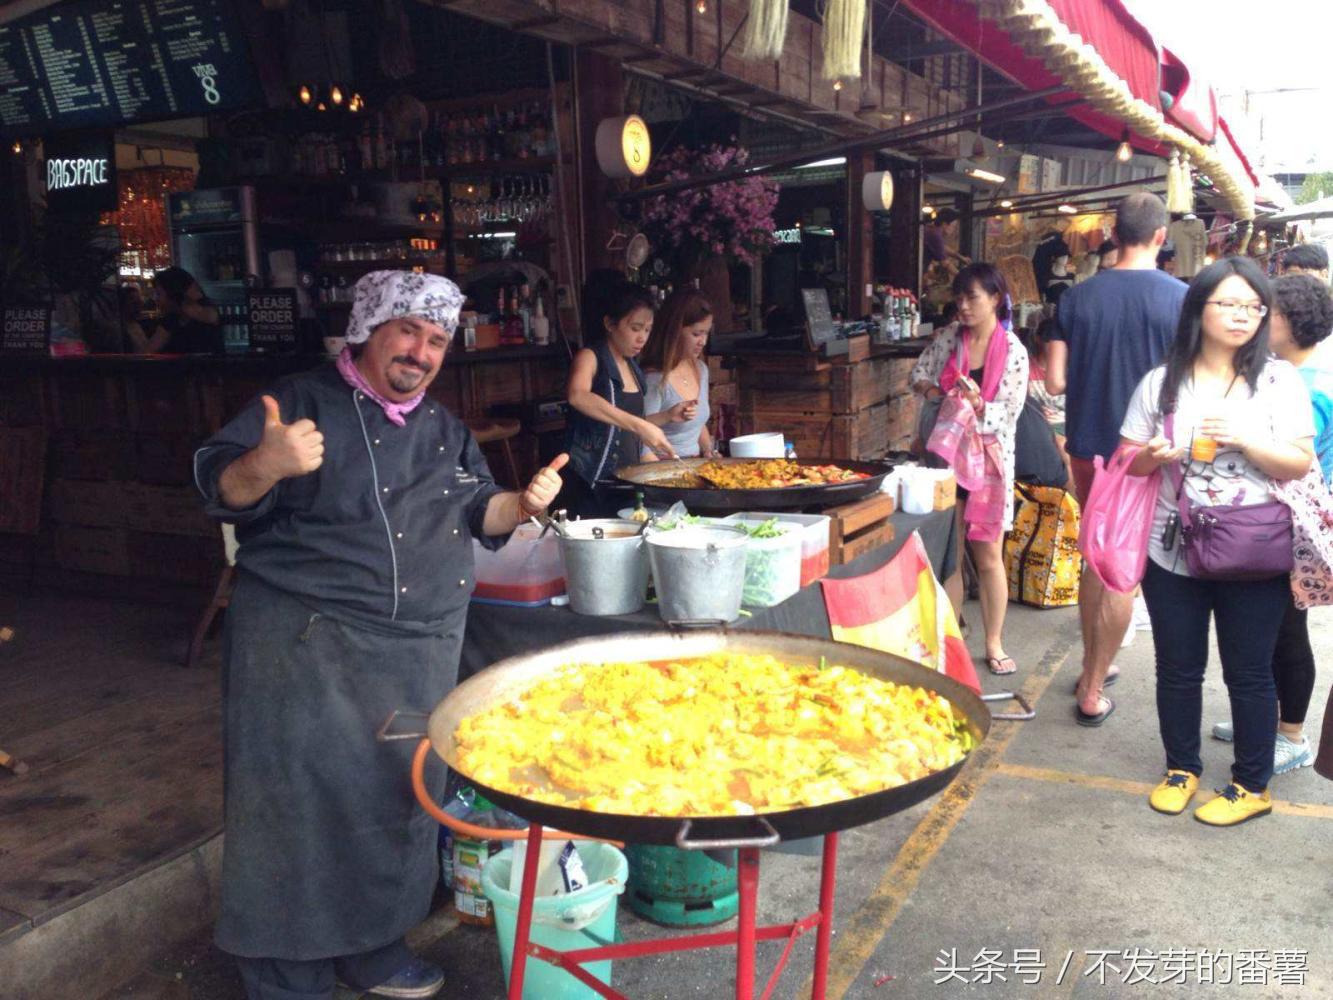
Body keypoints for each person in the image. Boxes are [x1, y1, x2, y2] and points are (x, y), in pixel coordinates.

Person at [193, 271, 567, 1000]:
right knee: (295, 811)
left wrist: (520, 504)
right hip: (308, 647)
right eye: (407, 332)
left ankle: (373, 949)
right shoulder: (298, 401)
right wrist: (263, 464)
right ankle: (285, 971)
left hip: (418, 648)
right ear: (367, 328)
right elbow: (219, 486)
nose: (421, 353)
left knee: (395, 802)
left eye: (436, 341)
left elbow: (476, 512)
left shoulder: (442, 428)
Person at [1120, 257, 1314, 826]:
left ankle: (1251, 784)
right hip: (1172, 545)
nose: (1241, 316)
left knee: (1249, 670)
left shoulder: (1277, 380)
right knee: (1177, 667)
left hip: (1254, 549)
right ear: (1199, 308)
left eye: (1253, 306)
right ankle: (1181, 767)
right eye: (1227, 303)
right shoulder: (1162, 382)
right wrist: (1150, 458)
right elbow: (1127, 459)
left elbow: (1299, 462)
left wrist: (1250, 440)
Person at [1047, 192, 1187, 727]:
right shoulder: (1182, 299)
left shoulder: (1077, 299)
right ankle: (1089, 687)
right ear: (1159, 235)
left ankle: (1094, 665)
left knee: (1098, 555)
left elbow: (1056, 380)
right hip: (1151, 452)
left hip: (1089, 446)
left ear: (1112, 232)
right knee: (1122, 570)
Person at [1209, 273, 1333, 774]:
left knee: (1286, 629)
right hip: (1275, 522)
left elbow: (1290, 457)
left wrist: (1240, 438)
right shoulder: (1288, 372)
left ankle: (1292, 735)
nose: (1256, 319)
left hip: (1295, 526)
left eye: (1267, 312)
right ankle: (1262, 718)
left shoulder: (1310, 387)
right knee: (1264, 628)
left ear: (1289, 322)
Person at [911, 263, 1029, 675]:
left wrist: (978, 405)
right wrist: (937, 392)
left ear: (995, 298)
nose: (962, 305)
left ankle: (994, 642)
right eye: (958, 298)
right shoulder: (947, 339)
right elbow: (919, 373)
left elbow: (1009, 414)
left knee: (989, 556)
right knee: (950, 555)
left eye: (972, 297)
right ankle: (953, 641)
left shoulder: (1013, 350)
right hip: (946, 461)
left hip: (991, 466)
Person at [560, 282, 680, 517]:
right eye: (635, 328)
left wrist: (663, 466)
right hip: (590, 484)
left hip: (625, 483)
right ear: (609, 324)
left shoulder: (634, 369)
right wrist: (641, 425)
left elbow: (629, 429)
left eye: (647, 329)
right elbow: (578, 395)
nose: (642, 337)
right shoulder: (590, 357)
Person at [641, 288, 716, 459]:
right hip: (662, 465)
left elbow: (698, 424)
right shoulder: (654, 379)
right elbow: (637, 430)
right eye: (696, 334)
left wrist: (708, 451)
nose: (703, 342)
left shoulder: (701, 369)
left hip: (695, 463)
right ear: (675, 331)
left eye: (706, 333)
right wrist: (667, 416)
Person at [152, 266, 222, 354]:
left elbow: (149, 350)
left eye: (158, 293)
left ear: (172, 293)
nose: (155, 298)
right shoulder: (173, 317)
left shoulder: (180, 315)